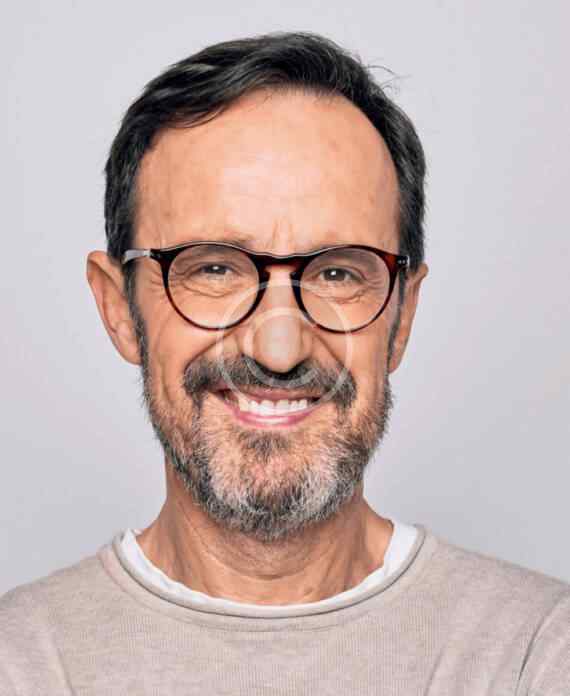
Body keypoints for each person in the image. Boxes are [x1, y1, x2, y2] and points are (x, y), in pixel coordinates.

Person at [1, 31, 568, 695]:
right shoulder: (21, 664)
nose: (280, 349)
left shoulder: (538, 656)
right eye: (214, 269)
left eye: (337, 273)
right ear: (119, 308)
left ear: (402, 316)